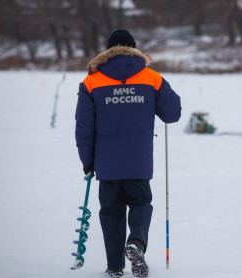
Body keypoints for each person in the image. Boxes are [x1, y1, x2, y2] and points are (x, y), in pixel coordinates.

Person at [75, 29, 181, 278]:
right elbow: (172, 113)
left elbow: (83, 128)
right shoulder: (151, 78)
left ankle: (114, 267)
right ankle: (136, 243)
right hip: (139, 159)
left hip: (106, 162)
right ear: (134, 48)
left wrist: (87, 161)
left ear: (107, 51)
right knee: (140, 203)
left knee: (111, 211)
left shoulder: (92, 81)